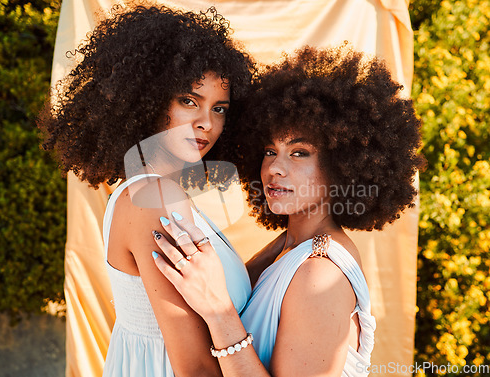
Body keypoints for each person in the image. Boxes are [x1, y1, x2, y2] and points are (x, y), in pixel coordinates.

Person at [152, 44, 425, 376]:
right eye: (270, 150)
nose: (275, 168)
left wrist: (219, 312)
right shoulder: (289, 248)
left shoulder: (319, 275)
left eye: (299, 152)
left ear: (342, 165)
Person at [38, 4, 260, 376]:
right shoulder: (155, 198)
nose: (206, 123)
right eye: (188, 100)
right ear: (148, 100)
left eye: (219, 108)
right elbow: (196, 369)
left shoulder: (148, 189)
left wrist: (295, 245)